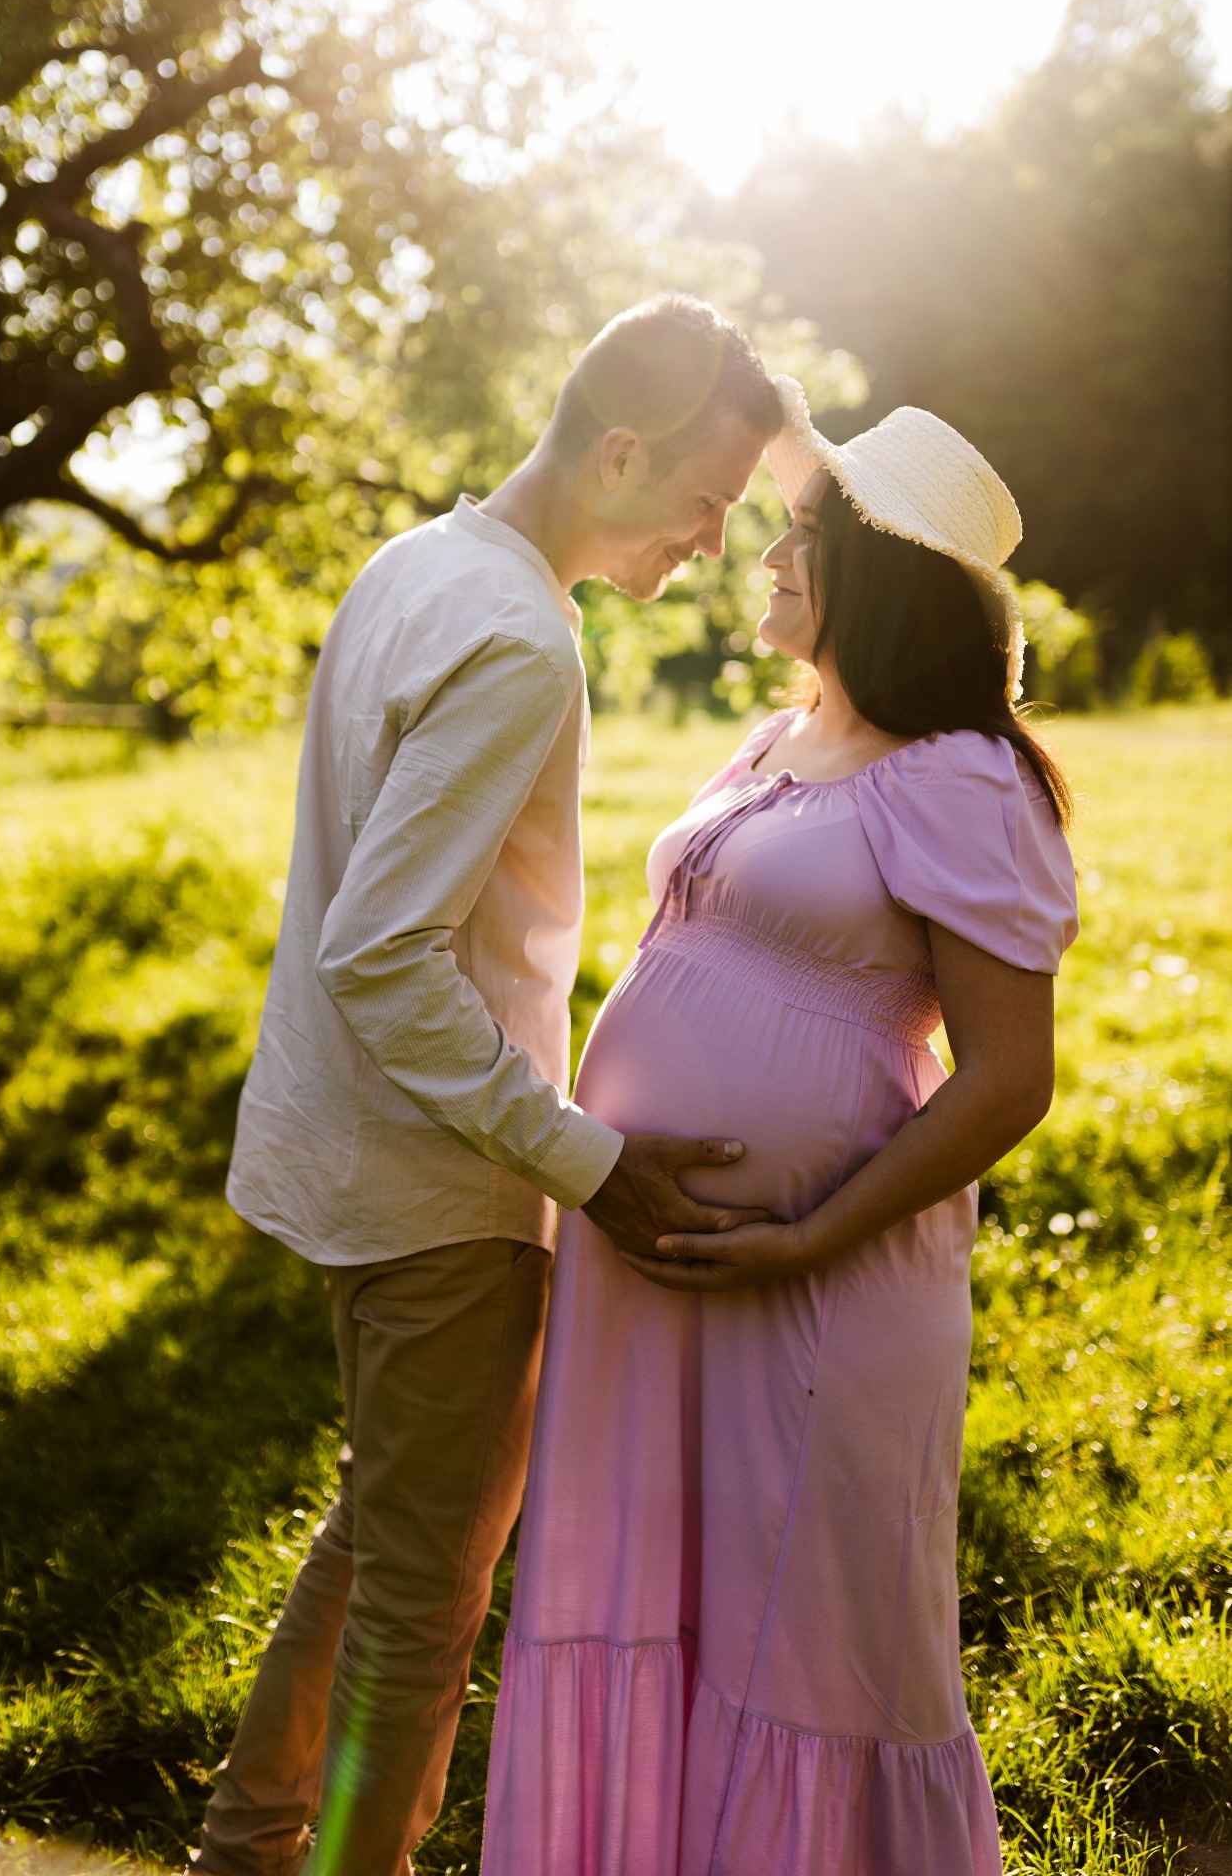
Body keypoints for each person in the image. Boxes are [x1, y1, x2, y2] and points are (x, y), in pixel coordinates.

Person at [189, 296, 785, 1876]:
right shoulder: (518, 636)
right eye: (709, 505)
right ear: (618, 453)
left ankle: (245, 1850)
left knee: (381, 1533)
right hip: (439, 1188)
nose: (714, 545)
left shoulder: (418, 562)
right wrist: (576, 1156)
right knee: (422, 1600)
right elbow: (378, 953)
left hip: (360, 1157)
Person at [483, 378, 1080, 1875]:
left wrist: (808, 1235)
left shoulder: (959, 777)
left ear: (878, 579)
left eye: (801, 534)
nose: (763, 552)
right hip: (654, 1264)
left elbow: (1007, 1078)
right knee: (658, 1612)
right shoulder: (770, 740)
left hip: (820, 1286)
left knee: (805, 1646)